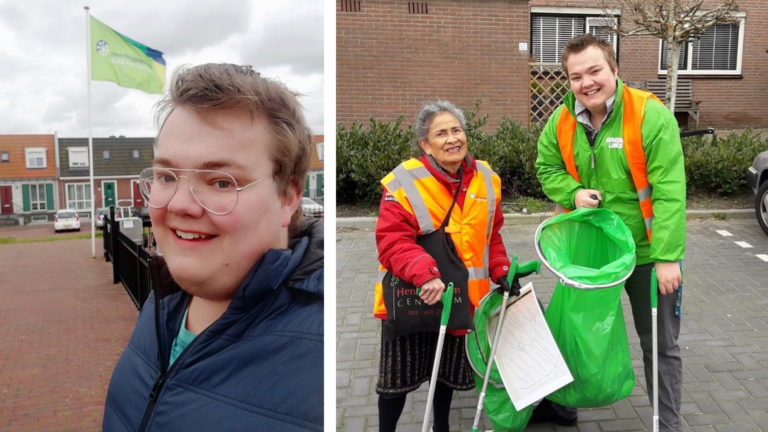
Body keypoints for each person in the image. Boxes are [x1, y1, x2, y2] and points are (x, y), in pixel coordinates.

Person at [102, 64, 323, 431]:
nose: (179, 205)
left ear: (288, 196)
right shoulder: (163, 301)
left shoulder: (318, 353)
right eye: (167, 177)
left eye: (221, 182)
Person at [535, 34, 685, 431]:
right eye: (575, 76)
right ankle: (564, 406)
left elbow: (669, 191)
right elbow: (547, 168)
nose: (586, 83)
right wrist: (574, 192)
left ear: (615, 70)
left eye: (595, 71)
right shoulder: (563, 119)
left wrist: (668, 257)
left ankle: (666, 424)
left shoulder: (649, 116)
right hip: (590, 253)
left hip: (648, 256)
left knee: (660, 346)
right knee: (574, 332)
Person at [374, 100, 513, 432]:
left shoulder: (487, 179)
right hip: (412, 297)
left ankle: (442, 427)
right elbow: (391, 240)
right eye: (441, 133)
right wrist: (425, 273)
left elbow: (491, 234)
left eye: (457, 130)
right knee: (396, 379)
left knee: (447, 374)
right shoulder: (404, 181)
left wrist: (501, 268)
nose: (452, 139)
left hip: (463, 300)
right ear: (425, 144)